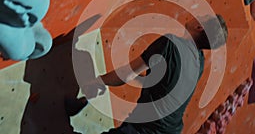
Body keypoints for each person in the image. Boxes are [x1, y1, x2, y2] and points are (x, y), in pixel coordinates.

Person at [82, 14, 228, 134]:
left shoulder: (169, 44)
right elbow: (166, 85)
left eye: (200, 17)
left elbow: (126, 74)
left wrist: (97, 82)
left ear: (199, 27)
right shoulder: (199, 62)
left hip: (146, 129)